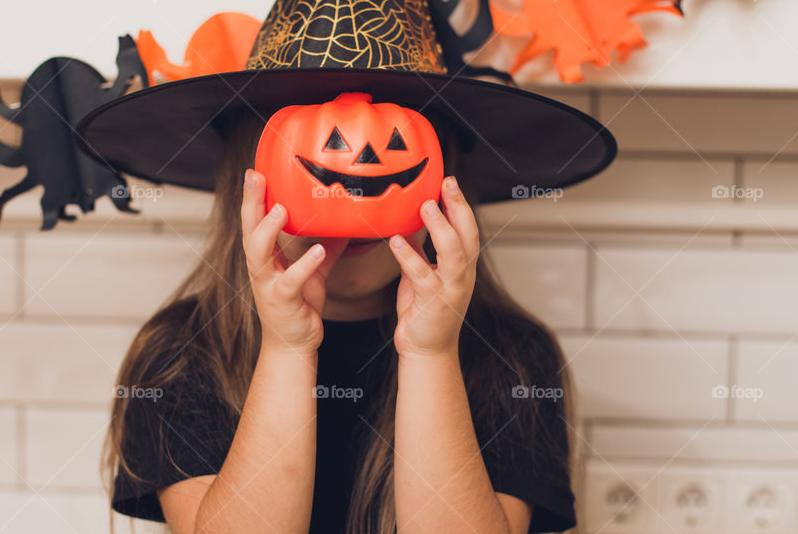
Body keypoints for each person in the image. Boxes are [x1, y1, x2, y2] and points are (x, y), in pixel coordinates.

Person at [102, 110, 578, 534]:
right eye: (324, 140)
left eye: (396, 139)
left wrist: (431, 354)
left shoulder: (513, 359)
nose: (355, 188)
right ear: (247, 180)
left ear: (443, 178)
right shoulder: (180, 353)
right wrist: (287, 350)